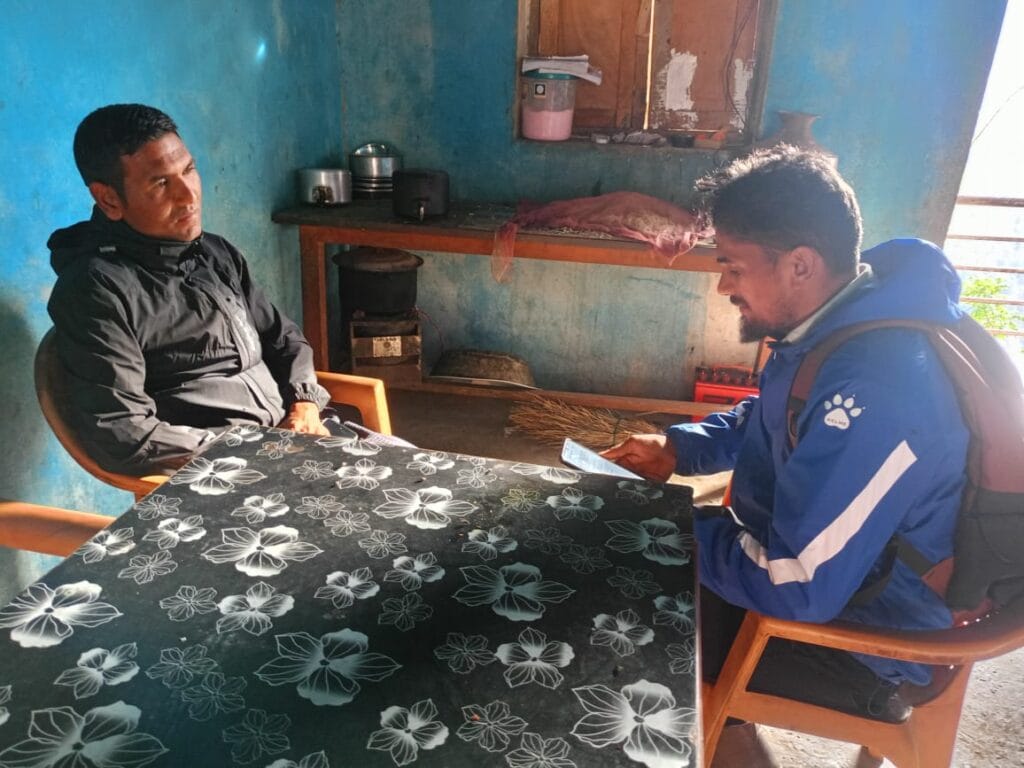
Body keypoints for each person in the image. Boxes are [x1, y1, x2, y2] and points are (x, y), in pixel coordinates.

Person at [603, 147, 969, 735]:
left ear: (800, 264)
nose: (723, 284)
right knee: (632, 564)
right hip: (824, 579)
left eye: (734, 266)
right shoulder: (842, 323)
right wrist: (681, 448)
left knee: (616, 609)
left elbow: (796, 584)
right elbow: (773, 412)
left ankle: (704, 732)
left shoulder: (879, 389)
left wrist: (663, 522)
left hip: (864, 643)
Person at [47, 104, 330, 476]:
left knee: (423, 488)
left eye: (188, 170)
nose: (188, 196)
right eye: (161, 182)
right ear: (109, 199)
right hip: (226, 471)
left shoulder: (214, 252)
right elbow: (125, 433)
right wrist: (258, 451)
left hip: (295, 434)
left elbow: (285, 339)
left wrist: (304, 405)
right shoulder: (96, 290)